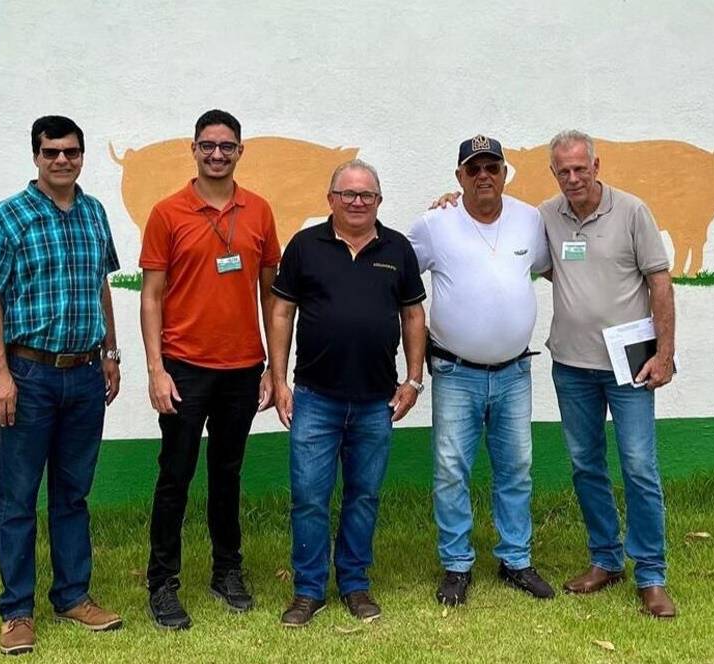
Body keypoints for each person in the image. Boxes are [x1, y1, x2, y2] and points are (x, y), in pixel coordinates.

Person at [0, 115, 124, 656]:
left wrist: (109, 352)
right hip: (28, 375)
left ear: (82, 156)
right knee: (16, 497)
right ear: (35, 156)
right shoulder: (9, 217)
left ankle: (73, 595)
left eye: (72, 152)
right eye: (51, 151)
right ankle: (16, 612)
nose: (63, 160)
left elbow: (101, 284)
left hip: (84, 373)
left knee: (72, 492)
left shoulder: (94, 213)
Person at [267, 159, 426, 627]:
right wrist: (278, 381)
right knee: (310, 497)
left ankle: (355, 585)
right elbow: (281, 314)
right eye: (348, 194)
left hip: (377, 401)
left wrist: (413, 379)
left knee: (363, 496)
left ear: (378, 201)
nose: (357, 203)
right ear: (330, 198)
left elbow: (413, 316)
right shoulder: (304, 246)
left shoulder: (397, 248)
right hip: (316, 398)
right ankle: (308, 590)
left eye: (367, 196)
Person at [139, 109, 281, 630]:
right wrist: (156, 369)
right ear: (193, 149)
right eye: (207, 145)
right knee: (174, 475)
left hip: (243, 368)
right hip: (184, 367)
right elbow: (151, 297)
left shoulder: (260, 211)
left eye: (226, 145)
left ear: (240, 150)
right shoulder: (167, 212)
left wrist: (274, 368)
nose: (216, 153)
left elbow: (273, 296)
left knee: (227, 474)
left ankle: (227, 571)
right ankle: (162, 583)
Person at [407, 135, 555, 608]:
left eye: (493, 167)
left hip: (514, 372)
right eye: (473, 170)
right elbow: (396, 274)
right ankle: (456, 564)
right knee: (452, 470)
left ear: (506, 172)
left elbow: (555, 266)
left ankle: (515, 558)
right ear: (458, 178)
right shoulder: (435, 223)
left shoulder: (530, 221)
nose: (484, 176)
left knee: (517, 468)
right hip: (455, 372)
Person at [539, 130, 678, 618]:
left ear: (597, 166)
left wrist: (665, 353)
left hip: (630, 364)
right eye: (563, 171)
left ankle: (652, 575)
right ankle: (605, 559)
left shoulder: (633, 211)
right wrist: (452, 202)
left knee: (639, 467)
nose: (573, 178)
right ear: (553, 173)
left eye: (581, 168)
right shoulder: (545, 217)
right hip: (571, 366)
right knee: (586, 466)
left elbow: (659, 282)